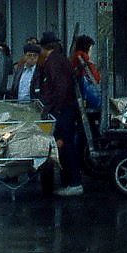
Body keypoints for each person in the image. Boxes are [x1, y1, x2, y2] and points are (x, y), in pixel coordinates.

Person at [39, 31, 84, 195]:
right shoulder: (60, 59)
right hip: (67, 108)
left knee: (65, 145)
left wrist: (55, 107)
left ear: (44, 47)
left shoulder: (53, 62)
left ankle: (74, 183)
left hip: (63, 110)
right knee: (64, 145)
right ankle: (69, 182)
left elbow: (60, 87)